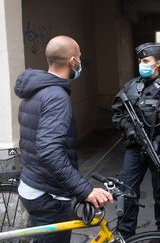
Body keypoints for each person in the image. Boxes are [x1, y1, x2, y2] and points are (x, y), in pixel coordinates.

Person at [15, 35, 113, 243]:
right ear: (73, 62)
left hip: (32, 184)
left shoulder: (33, 92)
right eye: (79, 57)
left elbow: (31, 143)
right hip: (48, 195)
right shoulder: (56, 96)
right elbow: (49, 150)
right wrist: (84, 190)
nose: (80, 62)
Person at [112, 42, 160, 239]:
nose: (142, 64)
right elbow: (117, 114)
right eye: (140, 61)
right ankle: (126, 236)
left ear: (157, 63)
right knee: (127, 193)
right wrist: (129, 129)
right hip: (134, 149)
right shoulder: (130, 86)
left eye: (146, 61)